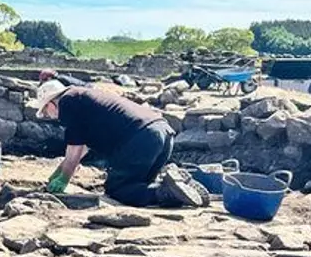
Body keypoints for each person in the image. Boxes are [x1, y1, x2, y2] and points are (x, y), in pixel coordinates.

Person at [32, 80, 208, 208]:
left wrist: (62, 180)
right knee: (138, 185)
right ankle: (181, 185)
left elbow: (74, 154)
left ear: (52, 102)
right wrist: (59, 172)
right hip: (162, 133)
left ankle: (169, 193)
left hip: (141, 138)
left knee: (118, 189)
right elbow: (81, 149)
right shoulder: (83, 97)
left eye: (46, 112)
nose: (49, 117)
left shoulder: (68, 103)